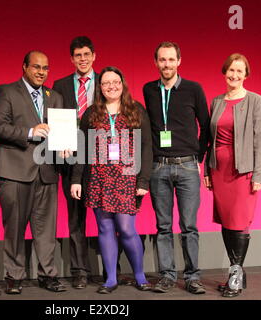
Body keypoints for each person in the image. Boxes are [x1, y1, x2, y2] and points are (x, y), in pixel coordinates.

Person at [71, 66, 153, 294]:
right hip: (98, 177)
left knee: (126, 229)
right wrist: (76, 179)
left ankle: (139, 275)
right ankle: (110, 279)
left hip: (127, 178)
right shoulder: (91, 113)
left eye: (115, 81)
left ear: (122, 83)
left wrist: (143, 181)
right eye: (106, 83)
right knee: (104, 228)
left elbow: (147, 147)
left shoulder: (136, 110)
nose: (111, 86)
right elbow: (83, 147)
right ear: (100, 87)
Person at [0, 51, 66, 294]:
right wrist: (29, 132)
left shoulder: (54, 96)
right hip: (15, 170)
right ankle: (14, 275)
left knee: (47, 229)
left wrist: (66, 147)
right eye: (36, 67)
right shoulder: (7, 91)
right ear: (24, 67)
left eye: (45, 68)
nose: (41, 72)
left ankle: (48, 274)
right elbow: (0, 126)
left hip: (46, 171)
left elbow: (60, 133)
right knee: (14, 226)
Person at [143, 41, 209, 294]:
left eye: (171, 59)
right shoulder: (149, 89)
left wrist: (198, 156)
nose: (166, 64)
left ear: (179, 61)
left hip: (187, 167)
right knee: (163, 226)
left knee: (189, 226)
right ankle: (167, 275)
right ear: (156, 62)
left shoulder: (193, 89)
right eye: (162, 60)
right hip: (159, 167)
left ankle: (192, 276)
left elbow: (205, 125)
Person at [203, 53, 261, 298]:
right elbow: (210, 140)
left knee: (239, 222)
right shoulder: (217, 101)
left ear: (246, 75)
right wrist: (207, 169)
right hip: (218, 171)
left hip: (243, 172)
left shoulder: (256, 101)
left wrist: (258, 175)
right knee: (227, 222)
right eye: (231, 70)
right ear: (224, 72)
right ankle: (235, 273)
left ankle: (235, 276)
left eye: (240, 71)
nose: (234, 75)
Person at [52, 36, 98, 289]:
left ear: (94, 56)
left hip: (101, 160)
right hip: (71, 161)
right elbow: (56, 120)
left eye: (86, 54)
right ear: (72, 59)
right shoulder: (59, 86)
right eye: (78, 55)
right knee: (75, 218)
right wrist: (60, 146)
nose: (83, 59)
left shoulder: (107, 82)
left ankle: (111, 268)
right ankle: (80, 270)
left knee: (107, 217)